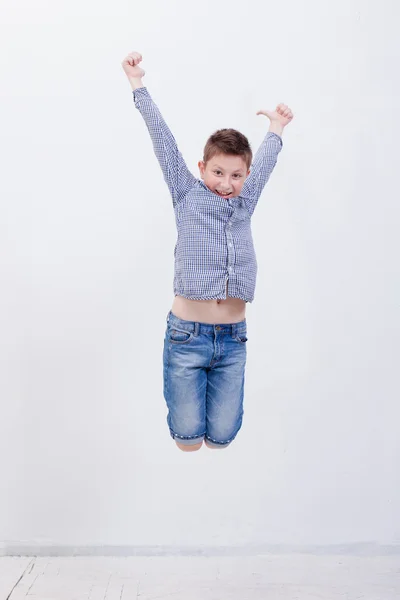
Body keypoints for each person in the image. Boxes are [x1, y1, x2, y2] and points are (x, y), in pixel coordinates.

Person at [121, 51, 293, 452]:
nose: (227, 183)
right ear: (202, 168)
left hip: (233, 340)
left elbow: (266, 160)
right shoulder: (186, 194)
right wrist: (137, 84)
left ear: (246, 176)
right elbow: (161, 138)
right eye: (218, 172)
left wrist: (278, 127)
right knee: (187, 440)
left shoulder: (245, 202)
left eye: (236, 175)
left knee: (220, 439)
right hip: (187, 336)